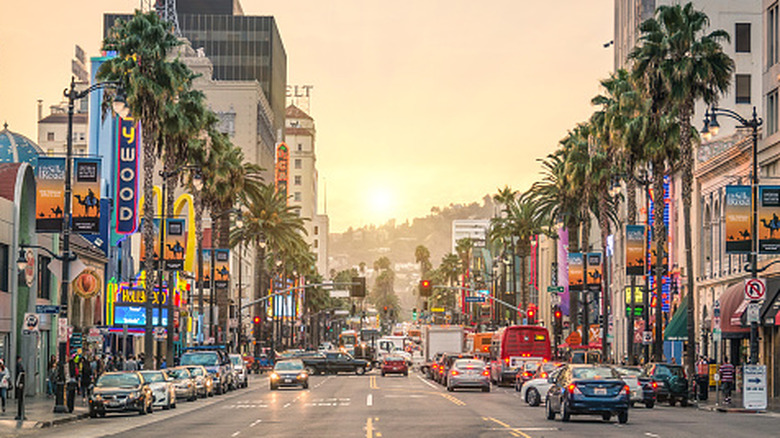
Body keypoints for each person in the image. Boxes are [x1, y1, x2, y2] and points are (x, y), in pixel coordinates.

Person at [14, 356, 25, 420]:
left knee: (20, 399)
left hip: (19, 383)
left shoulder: (18, 365)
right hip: (20, 383)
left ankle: (20, 413)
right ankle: (20, 414)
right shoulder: (18, 365)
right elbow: (20, 374)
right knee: (20, 398)